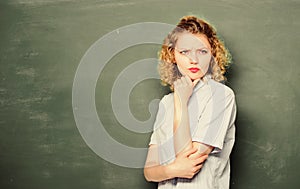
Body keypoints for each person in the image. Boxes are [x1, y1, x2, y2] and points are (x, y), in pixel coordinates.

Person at [144, 15, 237, 189]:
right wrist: (172, 170)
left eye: (202, 51)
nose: (193, 60)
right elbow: (149, 171)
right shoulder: (166, 102)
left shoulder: (221, 96)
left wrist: (180, 102)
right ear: (173, 55)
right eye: (184, 52)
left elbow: (187, 158)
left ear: (212, 55)